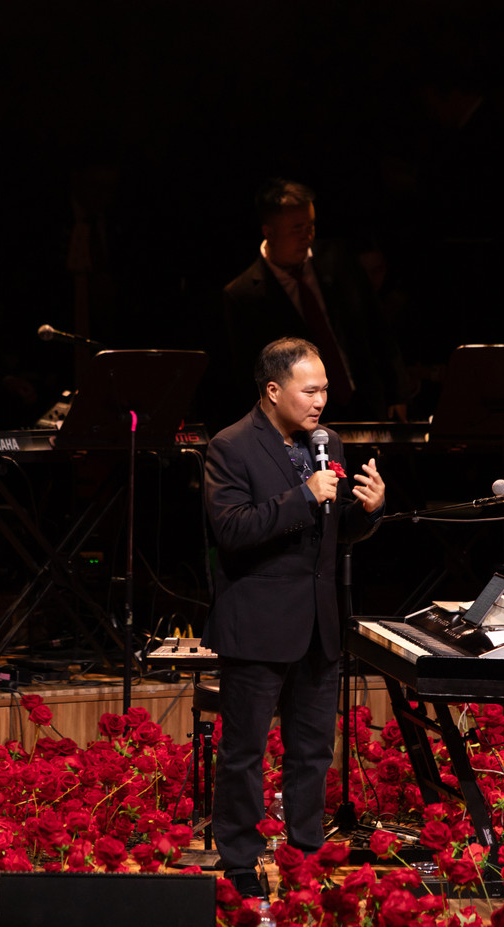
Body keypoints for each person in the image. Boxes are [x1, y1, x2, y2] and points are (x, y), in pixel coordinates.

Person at [203, 336, 386, 897]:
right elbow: (230, 531)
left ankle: (306, 854)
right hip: (257, 624)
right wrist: (304, 497)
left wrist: (368, 513)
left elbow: (331, 534)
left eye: (326, 389)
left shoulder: (326, 443)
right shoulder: (230, 446)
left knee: (312, 750)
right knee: (245, 752)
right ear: (273, 390)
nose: (321, 401)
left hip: (318, 624)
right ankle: (239, 858)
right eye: (310, 390)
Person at [220, 179, 409, 423]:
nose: (306, 236)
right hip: (299, 422)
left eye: (310, 226)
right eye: (296, 229)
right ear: (269, 232)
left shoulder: (339, 259)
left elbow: (378, 329)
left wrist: (398, 393)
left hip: (365, 404)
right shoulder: (243, 294)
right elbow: (248, 375)